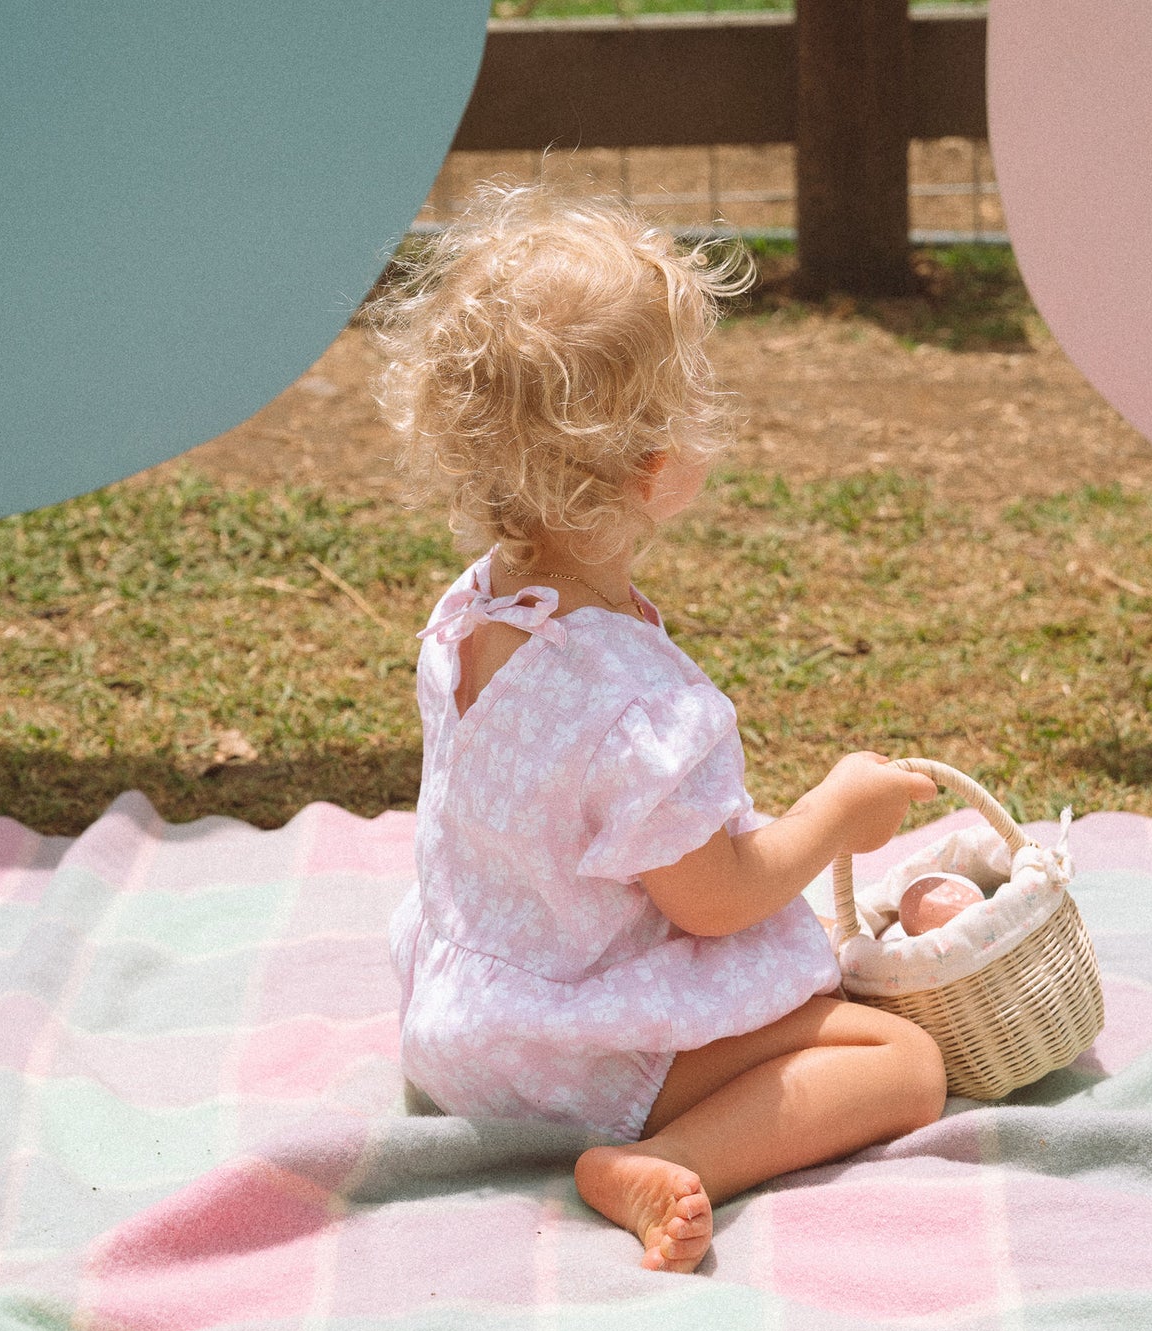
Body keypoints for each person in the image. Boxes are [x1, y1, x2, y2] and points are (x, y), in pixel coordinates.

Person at [374, 184, 946, 1273]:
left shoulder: (473, 613)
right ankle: (665, 1158)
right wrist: (836, 811)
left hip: (459, 1016)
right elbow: (720, 897)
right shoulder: (636, 706)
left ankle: (642, 1132)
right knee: (899, 1056)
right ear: (651, 469)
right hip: (568, 1054)